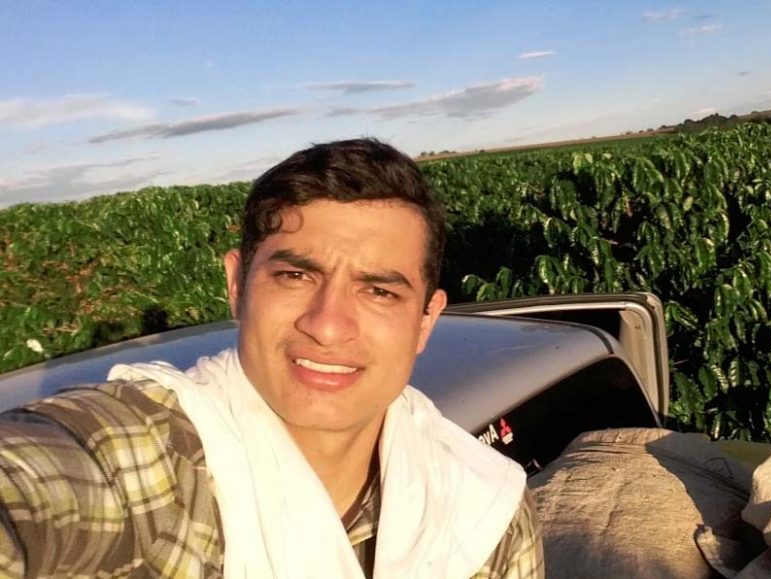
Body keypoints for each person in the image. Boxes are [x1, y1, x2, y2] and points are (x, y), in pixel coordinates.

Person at [0, 139, 543, 578]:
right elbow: (39, 483)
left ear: (426, 319)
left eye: (378, 291)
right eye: (295, 276)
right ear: (237, 285)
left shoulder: (481, 510)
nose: (327, 325)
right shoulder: (148, 466)